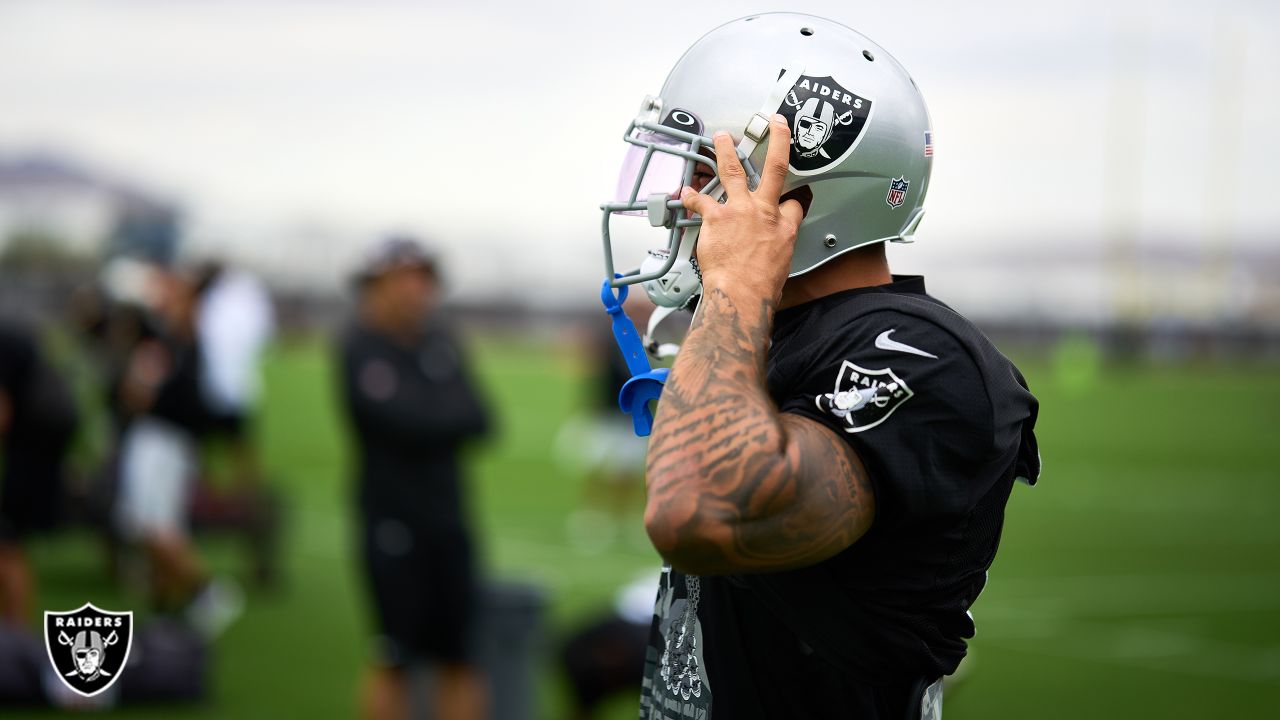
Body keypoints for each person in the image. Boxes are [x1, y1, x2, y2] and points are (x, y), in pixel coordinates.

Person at [597, 14, 1041, 719]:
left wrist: (738, 287)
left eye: (701, 173)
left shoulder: (922, 358)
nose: (671, 200)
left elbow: (699, 513)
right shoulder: (773, 333)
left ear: (795, 190)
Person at [337, 237, 492, 720]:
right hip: (390, 519)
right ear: (374, 286)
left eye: (423, 279)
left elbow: (480, 419)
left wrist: (428, 417)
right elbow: (398, 422)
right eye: (402, 279)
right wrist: (436, 416)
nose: (415, 291)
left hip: (449, 516)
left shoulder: (441, 340)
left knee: (461, 655)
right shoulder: (360, 346)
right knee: (394, 655)